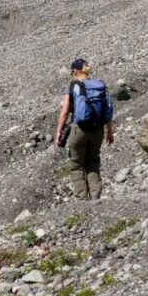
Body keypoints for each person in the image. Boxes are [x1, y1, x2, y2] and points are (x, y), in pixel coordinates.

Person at [54, 58, 114, 200]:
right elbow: (108, 109)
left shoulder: (73, 85)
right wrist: (110, 132)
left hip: (78, 130)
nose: (71, 76)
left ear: (75, 72)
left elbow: (65, 110)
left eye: (71, 73)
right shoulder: (98, 86)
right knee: (93, 162)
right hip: (97, 131)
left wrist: (59, 131)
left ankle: (82, 201)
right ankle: (95, 198)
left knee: (77, 165)